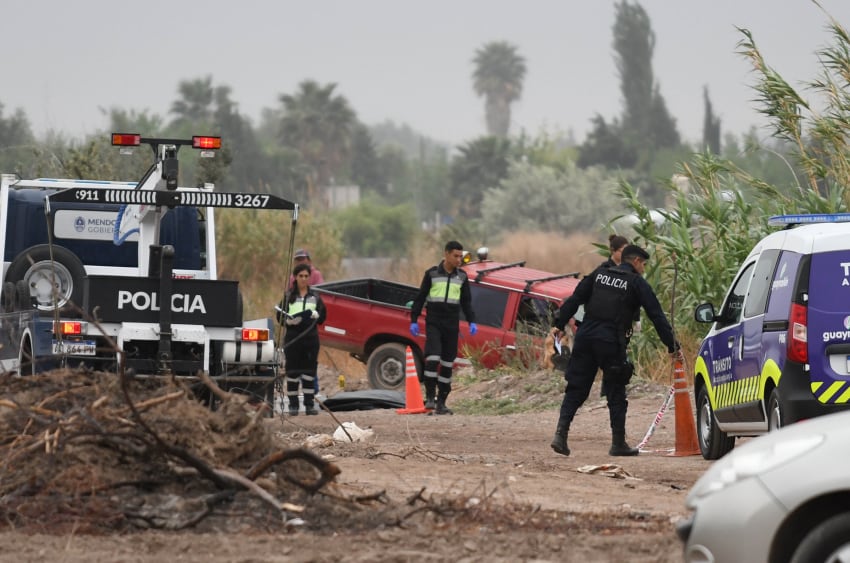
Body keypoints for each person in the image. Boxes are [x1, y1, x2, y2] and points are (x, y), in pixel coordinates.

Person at [550, 244, 681, 457]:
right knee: (616, 390)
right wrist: (672, 345)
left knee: (576, 388)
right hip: (610, 341)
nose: (644, 269)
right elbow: (657, 316)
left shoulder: (600, 274)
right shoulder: (637, 282)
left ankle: (560, 434)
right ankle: (618, 443)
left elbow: (575, 298)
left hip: (585, 337)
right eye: (644, 264)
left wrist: (559, 323)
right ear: (636, 261)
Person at [409, 240, 478, 415]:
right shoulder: (431, 274)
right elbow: (420, 297)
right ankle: (430, 398)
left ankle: (442, 403)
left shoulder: (461, 277)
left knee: (447, 364)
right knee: (433, 359)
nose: (459, 260)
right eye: (455, 256)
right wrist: (414, 320)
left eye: (460, 257)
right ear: (446, 254)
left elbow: (466, 302)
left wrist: (472, 321)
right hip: (434, 323)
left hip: (451, 325)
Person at [277, 262, 327, 416]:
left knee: (309, 373)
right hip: (293, 339)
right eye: (301, 276)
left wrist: (316, 315)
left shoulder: (315, 297)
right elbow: (280, 316)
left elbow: (323, 316)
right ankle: (293, 406)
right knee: (292, 373)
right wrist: (288, 321)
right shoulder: (288, 297)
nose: (304, 279)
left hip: (310, 339)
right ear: (295, 277)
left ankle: (309, 405)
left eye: (306, 276)